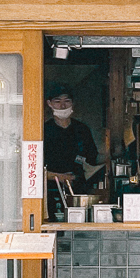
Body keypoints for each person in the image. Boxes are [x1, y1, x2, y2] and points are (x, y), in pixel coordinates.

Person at [43, 82, 99, 216]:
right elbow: (34, 168)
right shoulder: (43, 131)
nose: (63, 106)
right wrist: (59, 177)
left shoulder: (82, 130)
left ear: (72, 103)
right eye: (57, 101)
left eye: (67, 101)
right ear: (49, 103)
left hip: (78, 191)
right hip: (51, 190)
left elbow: (92, 159)